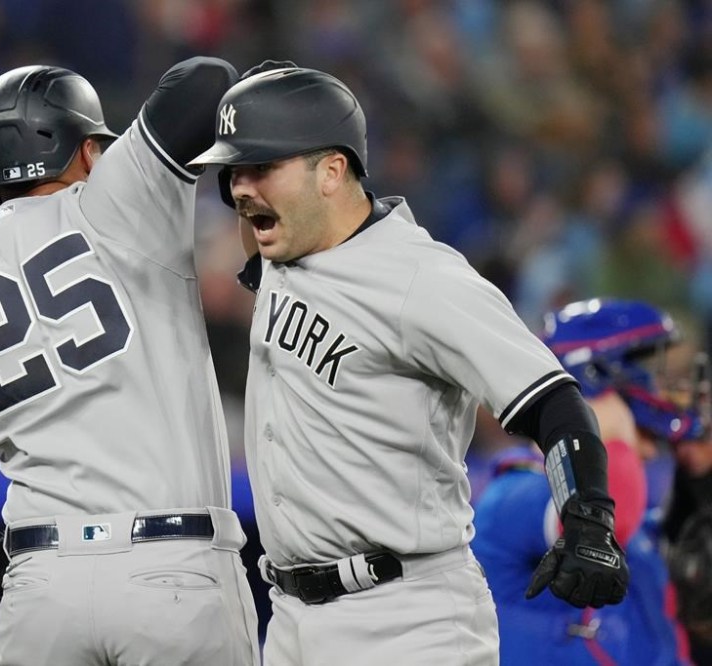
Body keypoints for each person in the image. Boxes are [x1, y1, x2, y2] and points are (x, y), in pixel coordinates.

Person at [188, 63, 628, 665]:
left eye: (261, 167)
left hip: (407, 617)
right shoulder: (280, 251)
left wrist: (589, 520)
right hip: (290, 620)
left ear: (332, 172)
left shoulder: (422, 279)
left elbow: (552, 399)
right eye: (234, 171)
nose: (240, 188)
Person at [0, 58, 262, 665]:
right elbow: (206, 78)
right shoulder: (119, 199)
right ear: (84, 153)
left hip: (39, 589)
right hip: (170, 569)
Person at [474, 298, 693, 665]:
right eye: (644, 372)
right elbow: (600, 526)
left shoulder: (642, 520)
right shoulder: (512, 496)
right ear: (601, 384)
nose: (659, 389)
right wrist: (613, 438)